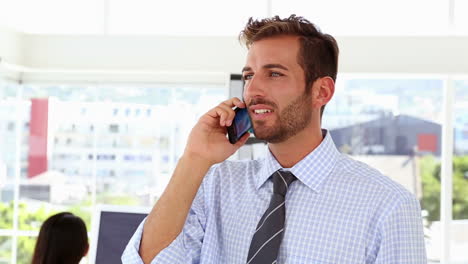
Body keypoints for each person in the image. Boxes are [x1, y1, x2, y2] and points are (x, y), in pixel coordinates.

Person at [122, 15, 426, 263]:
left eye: (275, 74)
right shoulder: (215, 184)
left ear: (321, 92)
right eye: (248, 75)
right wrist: (194, 158)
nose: (253, 90)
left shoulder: (388, 205)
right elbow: (145, 261)